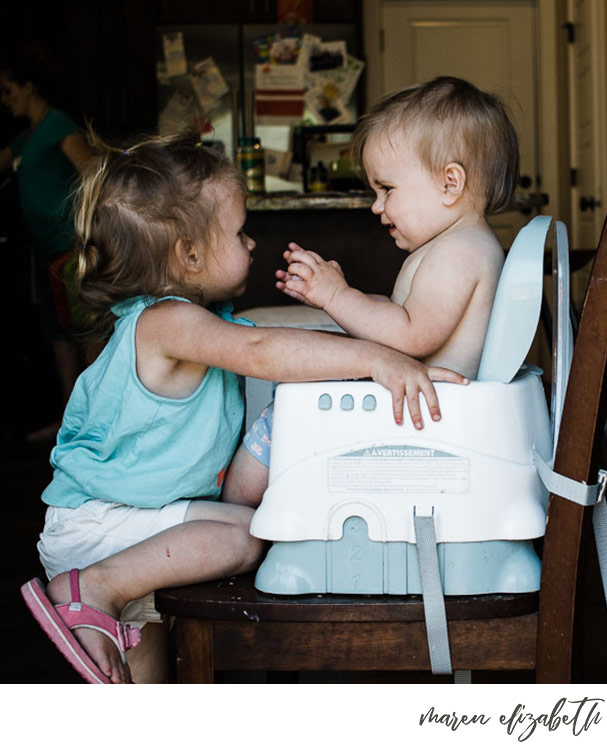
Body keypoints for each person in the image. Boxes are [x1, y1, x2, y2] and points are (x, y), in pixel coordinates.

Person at [19, 129, 466, 684]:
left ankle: (100, 604)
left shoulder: (205, 322)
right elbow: (263, 350)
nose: (251, 242)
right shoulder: (167, 324)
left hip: (141, 524)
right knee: (250, 534)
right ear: (189, 254)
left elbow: (281, 331)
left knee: (142, 694)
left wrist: (367, 316)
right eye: (239, 232)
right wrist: (377, 361)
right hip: (104, 525)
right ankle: (94, 590)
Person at [222, 75, 519, 504]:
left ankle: (238, 510)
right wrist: (350, 297)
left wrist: (338, 298)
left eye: (387, 189)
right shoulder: (454, 245)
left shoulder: (459, 253)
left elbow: (413, 335)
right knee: (302, 376)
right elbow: (405, 315)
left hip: (419, 419)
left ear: (450, 183)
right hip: (414, 406)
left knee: (285, 413)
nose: (376, 206)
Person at [0, 44, 98, 439]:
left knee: (87, 333)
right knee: (59, 336)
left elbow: (92, 173)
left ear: (30, 88)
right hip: (44, 252)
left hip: (71, 248)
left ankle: (98, 419)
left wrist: (87, 239)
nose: (4, 101)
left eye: (8, 91)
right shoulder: (27, 139)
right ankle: (71, 422)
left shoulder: (58, 126)